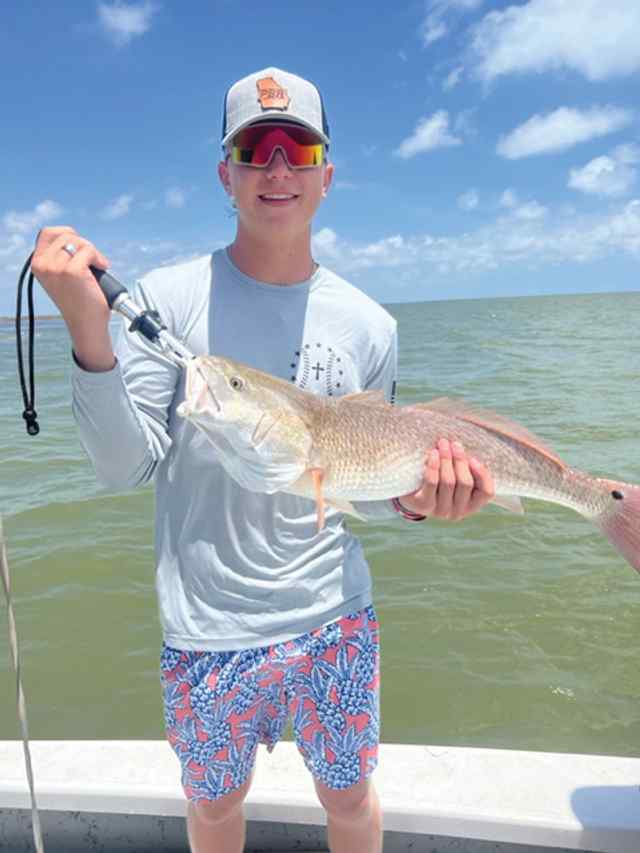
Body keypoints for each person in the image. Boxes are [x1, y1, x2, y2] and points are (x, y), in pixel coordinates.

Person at [32, 67, 494, 853]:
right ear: (227, 173)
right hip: (204, 629)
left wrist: (421, 502)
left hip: (334, 619)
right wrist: (88, 333)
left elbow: (364, 483)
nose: (277, 167)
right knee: (214, 809)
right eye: (255, 148)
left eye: (298, 148)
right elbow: (123, 466)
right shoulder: (166, 301)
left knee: (351, 798)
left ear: (326, 175)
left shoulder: (371, 325)